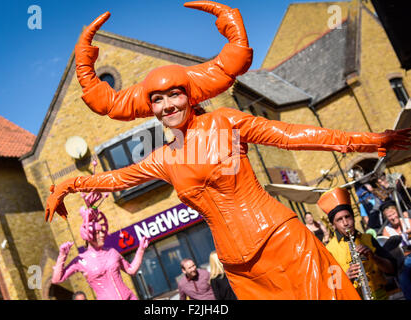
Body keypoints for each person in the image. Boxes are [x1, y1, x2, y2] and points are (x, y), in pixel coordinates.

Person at [45, 1, 411, 299]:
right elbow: (115, 177)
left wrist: (370, 141)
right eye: (157, 100)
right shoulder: (163, 158)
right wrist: (67, 186)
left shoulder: (225, 122)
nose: (167, 105)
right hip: (238, 267)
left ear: (190, 96)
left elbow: (293, 135)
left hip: (280, 242)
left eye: (174, 94)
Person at [51, 191, 149, 300]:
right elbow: (56, 279)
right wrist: (62, 255)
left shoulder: (112, 252)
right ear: (88, 235)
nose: (102, 234)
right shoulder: (81, 260)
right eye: (97, 232)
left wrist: (141, 249)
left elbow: (131, 270)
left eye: (101, 231)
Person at [318, 188, 398, 300]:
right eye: (340, 220)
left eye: (347, 217)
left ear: (353, 218)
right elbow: (330, 289)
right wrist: (346, 278)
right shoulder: (329, 249)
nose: (346, 223)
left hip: (381, 295)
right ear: (333, 225)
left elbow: (392, 269)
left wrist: (374, 257)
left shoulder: (368, 239)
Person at [381, 200, 411, 299]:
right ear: (386, 218)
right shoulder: (387, 230)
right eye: (389, 216)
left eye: (393, 213)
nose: (393, 217)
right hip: (402, 259)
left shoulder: (407, 221)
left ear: (397, 212)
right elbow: (390, 252)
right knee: (403, 274)